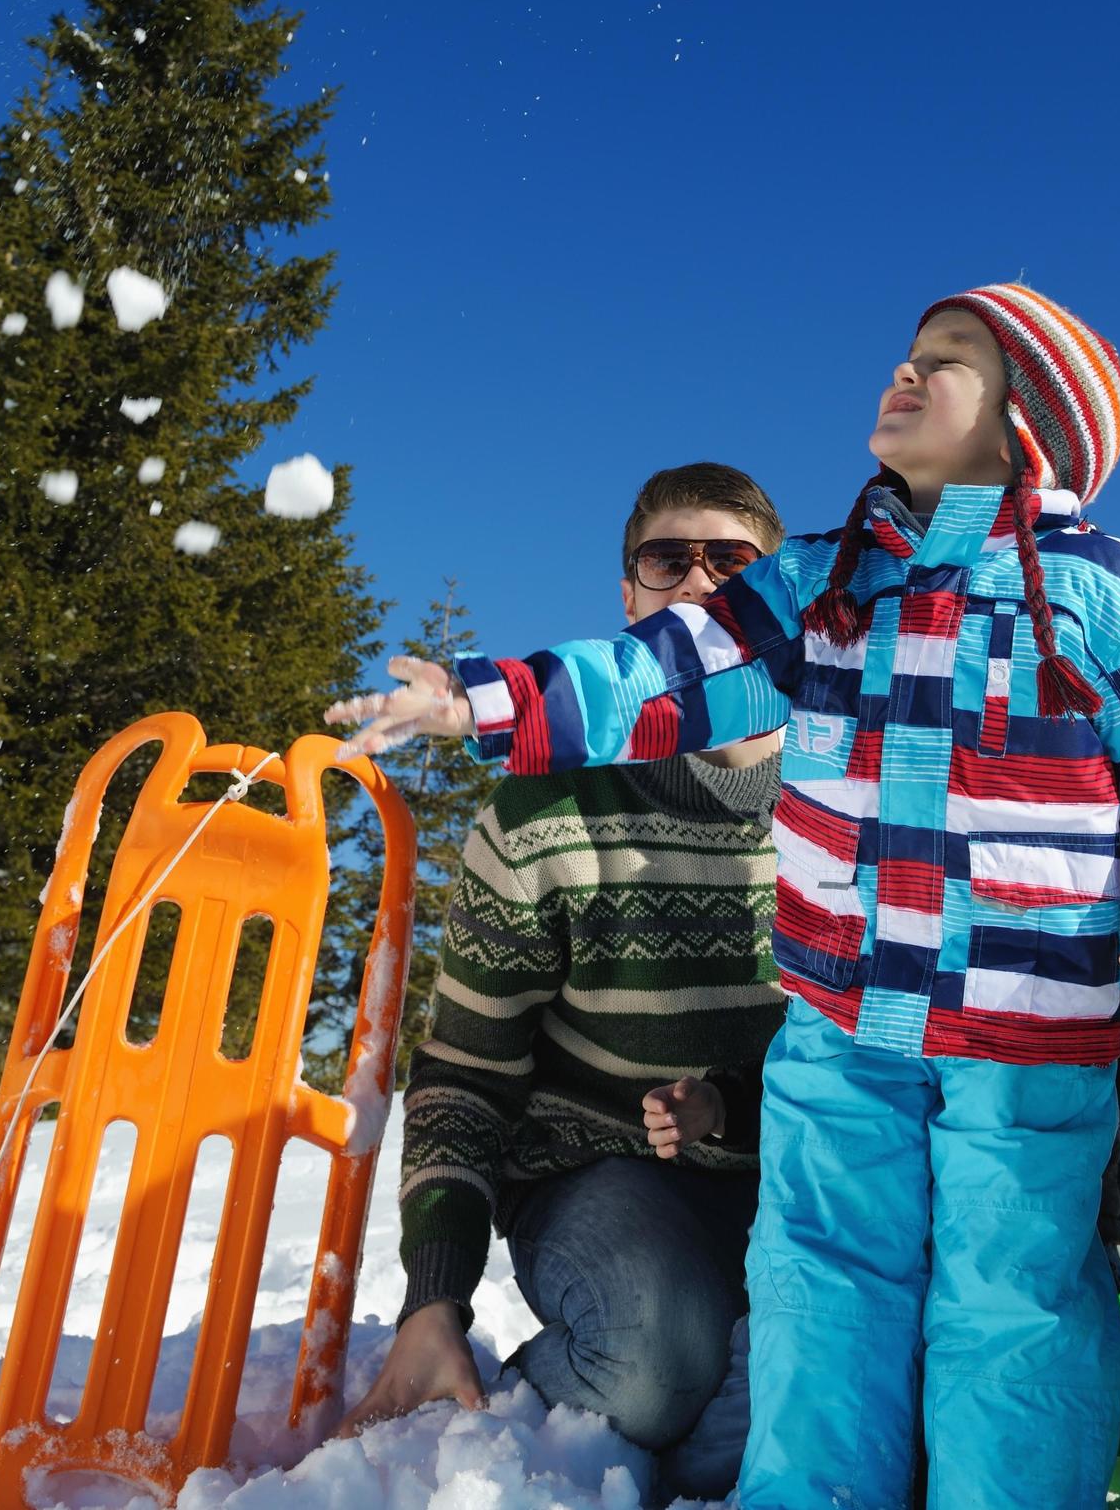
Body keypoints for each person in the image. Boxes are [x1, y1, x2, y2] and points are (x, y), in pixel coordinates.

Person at [330, 284, 1120, 1510]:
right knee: (825, 1281)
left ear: (1031, 418)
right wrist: (480, 701)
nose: (906, 374)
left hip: (1024, 1021)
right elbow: (659, 670)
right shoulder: (820, 586)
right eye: (910, 352)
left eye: (951, 361)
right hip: (843, 1029)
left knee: (1010, 1291)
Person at [334, 462, 789, 1503]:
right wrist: (435, 1297)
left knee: (822, 1354)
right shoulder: (546, 806)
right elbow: (464, 1068)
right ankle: (510, 1450)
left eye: (730, 561)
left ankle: (654, 1459)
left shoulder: (849, 799)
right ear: (629, 600)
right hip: (599, 1169)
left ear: (771, 600)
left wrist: (734, 1108)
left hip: (802, 1167)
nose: (695, 581)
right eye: (665, 559)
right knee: (659, 1356)